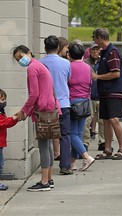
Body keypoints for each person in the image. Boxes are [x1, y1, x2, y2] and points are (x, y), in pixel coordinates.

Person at [13, 45, 60, 191]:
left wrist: (23, 112)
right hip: (50, 108)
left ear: (29, 52)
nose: (21, 61)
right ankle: (49, 179)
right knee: (49, 146)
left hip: (42, 110)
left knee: (43, 147)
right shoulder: (40, 65)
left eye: (21, 57)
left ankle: (44, 181)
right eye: (18, 59)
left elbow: (34, 94)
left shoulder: (32, 68)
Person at [91, 28, 122, 160]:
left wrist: (98, 76)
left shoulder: (112, 52)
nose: (94, 41)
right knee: (105, 120)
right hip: (105, 92)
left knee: (114, 120)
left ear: (100, 38)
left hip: (114, 91)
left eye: (94, 38)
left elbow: (116, 73)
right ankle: (107, 149)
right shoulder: (105, 52)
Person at [39, 35, 73, 175]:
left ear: (45, 48)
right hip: (63, 103)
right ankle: (65, 166)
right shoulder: (66, 63)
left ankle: (47, 169)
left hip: (46, 105)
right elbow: (68, 78)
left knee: (46, 136)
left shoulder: (40, 63)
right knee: (65, 134)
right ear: (58, 48)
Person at [68, 41, 95, 171]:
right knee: (78, 134)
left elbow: (66, 82)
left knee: (72, 134)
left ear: (69, 55)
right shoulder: (87, 67)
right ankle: (72, 162)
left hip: (73, 102)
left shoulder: (69, 67)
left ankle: (86, 157)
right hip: (85, 102)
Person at [83, 42, 105, 151]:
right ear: (90, 51)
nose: (95, 51)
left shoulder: (103, 62)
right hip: (89, 95)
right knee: (87, 121)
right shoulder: (85, 63)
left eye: (97, 49)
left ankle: (103, 141)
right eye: (93, 49)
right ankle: (85, 142)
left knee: (102, 120)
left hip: (101, 95)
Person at [0, 89, 18, 190]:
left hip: (1, 142)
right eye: (2, 100)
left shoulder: (1, 112)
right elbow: (3, 123)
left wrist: (14, 119)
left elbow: (6, 122)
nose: (4, 102)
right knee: (0, 163)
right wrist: (14, 119)